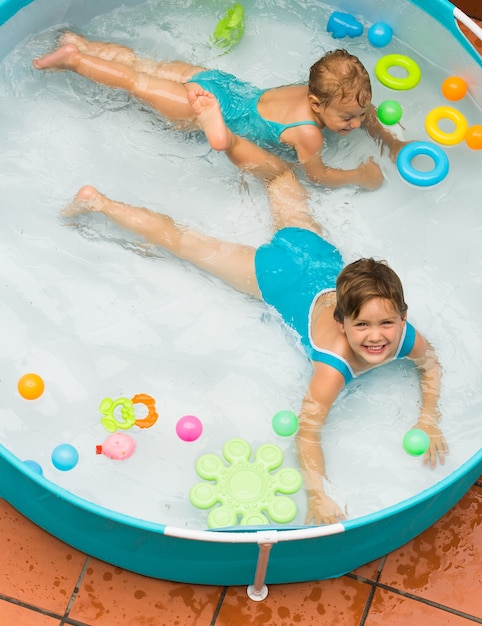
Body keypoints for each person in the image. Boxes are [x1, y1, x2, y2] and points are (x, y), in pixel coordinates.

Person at [62, 90, 447, 526]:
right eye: (362, 326)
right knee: (183, 243)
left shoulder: (405, 337)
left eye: (387, 324)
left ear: (403, 316)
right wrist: (318, 495)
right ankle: (100, 203)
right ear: (341, 324)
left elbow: (430, 364)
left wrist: (429, 417)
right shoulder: (332, 369)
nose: (377, 337)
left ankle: (225, 138)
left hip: (316, 254)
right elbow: (308, 433)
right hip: (278, 276)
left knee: (281, 177)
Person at [33, 33, 407, 190]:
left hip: (217, 83)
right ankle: (76, 61)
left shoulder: (322, 90)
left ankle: (83, 44)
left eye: (358, 115)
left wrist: (388, 140)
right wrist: (359, 176)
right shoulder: (308, 132)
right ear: (316, 106)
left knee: (145, 65)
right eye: (348, 119)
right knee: (136, 83)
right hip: (204, 107)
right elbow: (319, 176)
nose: (357, 123)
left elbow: (366, 110)